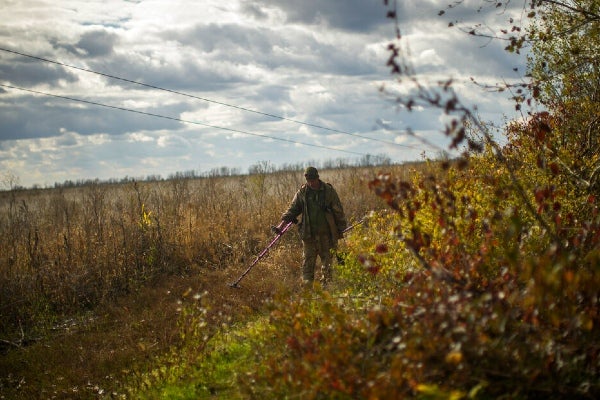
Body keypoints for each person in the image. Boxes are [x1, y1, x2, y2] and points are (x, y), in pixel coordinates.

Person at [274, 166, 347, 287]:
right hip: (309, 236)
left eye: (313, 180)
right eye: (309, 181)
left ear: (318, 178)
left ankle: (326, 295)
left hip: (327, 236)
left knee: (327, 267)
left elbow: (338, 210)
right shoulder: (302, 193)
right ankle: (307, 296)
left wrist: (341, 229)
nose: (311, 183)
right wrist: (282, 223)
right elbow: (293, 209)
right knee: (307, 267)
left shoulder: (328, 191)